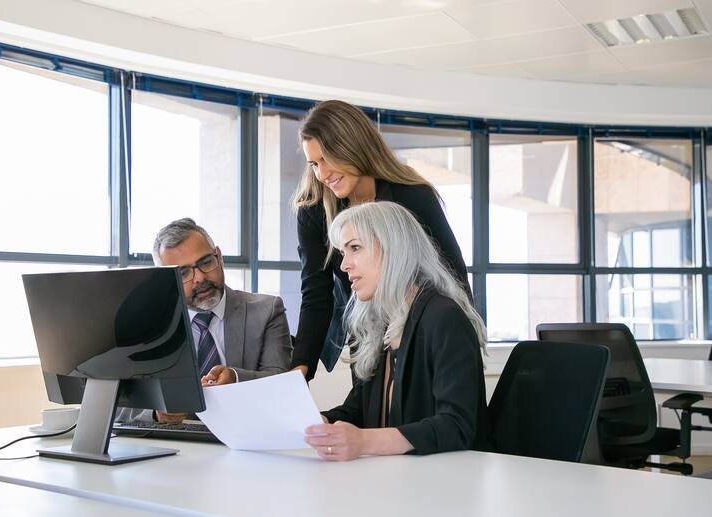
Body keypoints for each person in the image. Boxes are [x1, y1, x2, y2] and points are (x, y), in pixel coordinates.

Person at [293, 99, 470, 381]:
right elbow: (316, 294)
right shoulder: (313, 211)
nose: (322, 174)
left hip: (421, 330)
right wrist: (299, 369)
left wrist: (462, 345)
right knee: (367, 412)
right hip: (365, 333)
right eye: (314, 164)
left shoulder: (413, 196)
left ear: (352, 146)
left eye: (327, 158)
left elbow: (452, 275)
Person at [303, 201, 489, 461]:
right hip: (393, 481)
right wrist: (322, 425)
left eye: (355, 248)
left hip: (444, 487)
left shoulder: (444, 318)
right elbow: (360, 409)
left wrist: (364, 441)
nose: (344, 265)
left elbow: (456, 426)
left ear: (394, 250)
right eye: (343, 252)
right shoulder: (380, 322)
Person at [118, 218, 292, 424]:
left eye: (206, 262)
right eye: (183, 272)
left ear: (219, 257)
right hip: (175, 447)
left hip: (248, 439)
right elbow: (118, 408)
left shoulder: (266, 311)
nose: (199, 278)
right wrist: (156, 415)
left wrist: (235, 378)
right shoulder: (146, 326)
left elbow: (282, 386)